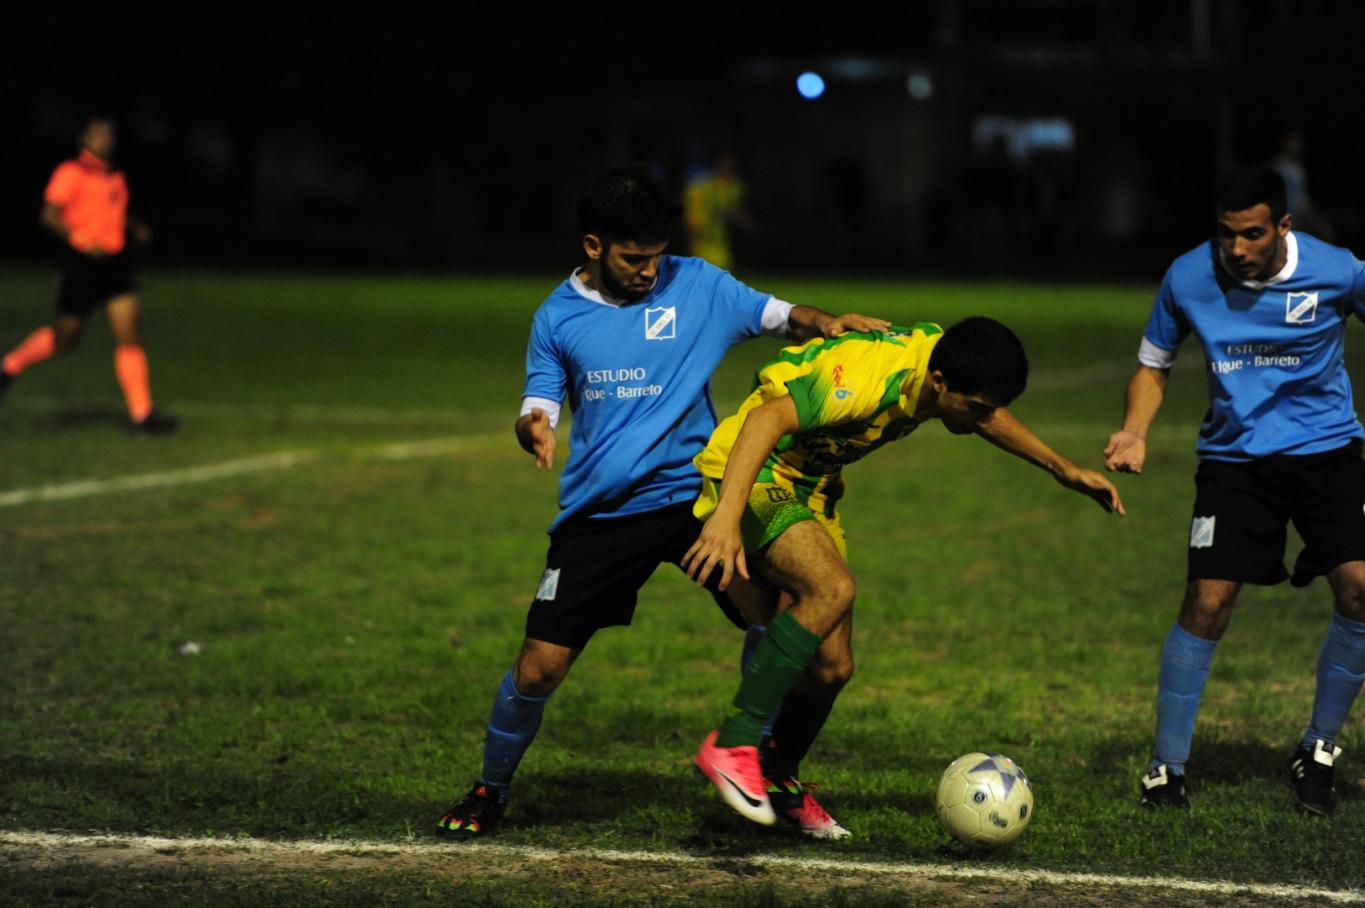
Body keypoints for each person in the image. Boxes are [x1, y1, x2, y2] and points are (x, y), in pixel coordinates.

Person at [435, 165, 888, 841]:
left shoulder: (696, 283)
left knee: (775, 615)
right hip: (604, 513)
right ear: (593, 246)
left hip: (699, 497)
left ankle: (757, 768)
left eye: (655, 254)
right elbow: (537, 398)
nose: (649, 270)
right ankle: (488, 788)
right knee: (540, 666)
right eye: (632, 258)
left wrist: (827, 322)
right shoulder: (557, 317)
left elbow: (777, 315)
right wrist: (532, 425)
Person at [682, 317, 1124, 831]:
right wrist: (726, 518)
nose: (985, 418)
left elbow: (985, 413)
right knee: (833, 588)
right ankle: (734, 743)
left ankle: (777, 780)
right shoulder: (871, 379)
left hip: (812, 488)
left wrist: (1060, 467)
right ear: (939, 382)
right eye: (977, 407)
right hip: (753, 472)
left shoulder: (941, 365)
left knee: (832, 668)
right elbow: (765, 421)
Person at [1104, 167, 1365, 816]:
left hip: (1327, 455)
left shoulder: (1337, 271)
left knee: (1360, 590)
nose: (1236, 250)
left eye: (1251, 235)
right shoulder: (1187, 275)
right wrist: (1133, 431)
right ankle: (1166, 769)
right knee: (1207, 601)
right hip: (1232, 463)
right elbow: (1152, 366)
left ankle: (1318, 749)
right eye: (1225, 235)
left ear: (1283, 226)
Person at [0, 116, 177, 432]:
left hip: (116, 264)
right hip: (80, 264)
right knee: (67, 338)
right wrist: (82, 241)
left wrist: (133, 226)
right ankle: (10, 365)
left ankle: (142, 414)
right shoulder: (71, 172)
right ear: (84, 137)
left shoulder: (114, 176)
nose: (105, 138)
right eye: (98, 133)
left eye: (109, 133)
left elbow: (113, 213)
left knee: (130, 333)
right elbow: (49, 215)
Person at [683, 151, 754, 272]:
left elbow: (735, 208)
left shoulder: (734, 185)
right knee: (704, 270)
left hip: (720, 238)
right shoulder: (701, 185)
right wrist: (692, 224)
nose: (728, 168)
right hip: (702, 237)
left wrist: (746, 223)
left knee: (723, 269)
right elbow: (691, 206)